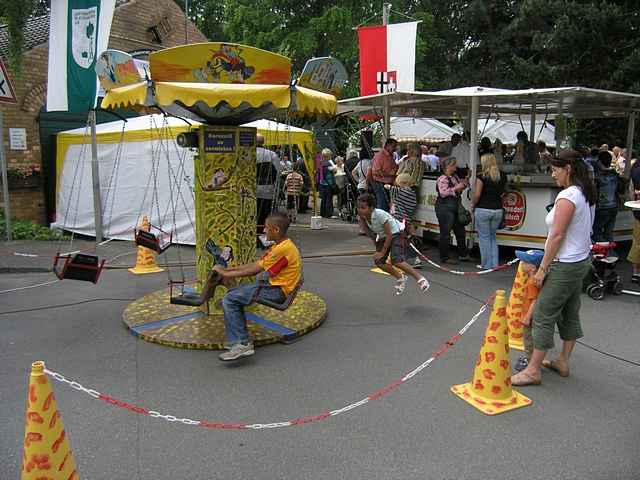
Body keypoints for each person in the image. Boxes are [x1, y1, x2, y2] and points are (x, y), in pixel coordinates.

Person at [511, 149, 596, 386]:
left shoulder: (568, 196)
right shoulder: (585, 192)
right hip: (579, 260)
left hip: (565, 263)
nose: (552, 174)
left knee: (542, 314)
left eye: (555, 169)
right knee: (569, 311)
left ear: (568, 169)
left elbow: (557, 235)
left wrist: (542, 269)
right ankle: (562, 360)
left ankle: (533, 370)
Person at [214, 213, 301, 361]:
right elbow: (257, 264)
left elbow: (255, 269)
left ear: (276, 230)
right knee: (233, 295)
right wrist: (227, 271)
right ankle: (237, 340)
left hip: (276, 291)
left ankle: (242, 343)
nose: (264, 231)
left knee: (229, 299)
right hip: (272, 286)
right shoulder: (281, 246)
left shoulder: (282, 250)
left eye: (267, 228)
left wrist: (226, 273)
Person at [357, 193, 429, 295]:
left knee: (396, 260)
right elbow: (370, 234)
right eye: (358, 207)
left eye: (363, 208)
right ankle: (400, 277)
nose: (360, 210)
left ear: (371, 208)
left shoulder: (379, 214)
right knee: (379, 261)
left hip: (395, 233)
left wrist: (382, 252)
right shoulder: (362, 217)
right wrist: (377, 248)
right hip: (382, 237)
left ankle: (420, 278)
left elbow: (389, 234)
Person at [472, 153, 507, 269]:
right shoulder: (502, 176)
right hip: (497, 210)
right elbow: (503, 193)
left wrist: (473, 205)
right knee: (492, 237)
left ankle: (486, 264)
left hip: (483, 209)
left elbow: (477, 195)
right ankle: (494, 264)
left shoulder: (481, 176)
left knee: (484, 238)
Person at [512, 250, 544, 373]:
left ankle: (530, 362)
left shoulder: (532, 283)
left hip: (530, 317)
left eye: (525, 262)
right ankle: (533, 360)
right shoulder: (534, 279)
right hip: (532, 316)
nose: (521, 263)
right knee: (533, 339)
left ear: (532, 268)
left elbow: (534, 301)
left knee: (529, 340)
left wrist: (527, 317)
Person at [435, 156, 470, 264]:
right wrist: (457, 188)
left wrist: (465, 181)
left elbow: (461, 187)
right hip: (444, 207)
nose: (456, 167)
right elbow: (443, 193)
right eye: (454, 165)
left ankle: (463, 254)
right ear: (448, 166)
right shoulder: (442, 178)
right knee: (445, 233)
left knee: (460, 231)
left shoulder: (454, 177)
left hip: (454, 206)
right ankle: (444, 257)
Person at [256, 134, 282, 234]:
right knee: (265, 215)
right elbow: (278, 172)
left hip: (251, 190)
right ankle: (265, 235)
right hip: (268, 190)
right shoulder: (272, 155)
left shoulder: (248, 153)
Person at [593, 150, 621, 242]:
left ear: (600, 162)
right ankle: (610, 252)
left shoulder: (597, 177)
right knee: (609, 232)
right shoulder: (615, 175)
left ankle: (604, 251)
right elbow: (620, 190)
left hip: (601, 207)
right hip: (614, 206)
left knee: (596, 231)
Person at [371, 138, 398, 211]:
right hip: (380, 183)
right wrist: (390, 174)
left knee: (386, 205)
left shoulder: (390, 155)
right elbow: (375, 171)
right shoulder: (380, 156)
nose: (395, 149)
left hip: (387, 184)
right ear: (387, 145)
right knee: (382, 204)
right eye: (394, 146)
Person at [629, 158, 640, 284]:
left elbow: (631, 191)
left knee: (637, 242)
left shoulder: (635, 167)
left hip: (637, 210)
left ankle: (636, 272)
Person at [317, 148, 336, 218]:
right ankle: (328, 213)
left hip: (322, 183)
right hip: (329, 183)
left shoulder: (320, 163)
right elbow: (334, 171)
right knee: (329, 199)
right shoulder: (329, 163)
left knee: (323, 199)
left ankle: (322, 213)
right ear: (328, 155)